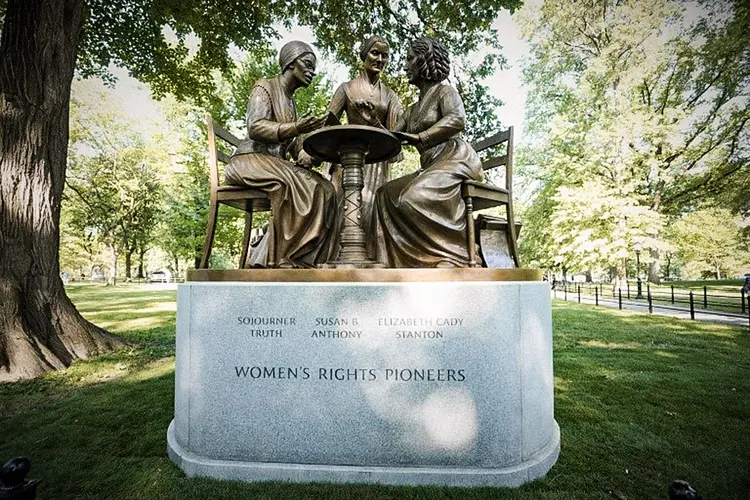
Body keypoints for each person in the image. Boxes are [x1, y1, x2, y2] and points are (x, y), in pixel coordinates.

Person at [370, 36, 483, 268]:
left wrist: (422, 137)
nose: (404, 66)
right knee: (383, 195)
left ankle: (453, 255)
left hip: (455, 158)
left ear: (425, 60)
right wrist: (371, 118)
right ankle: (394, 262)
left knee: (413, 197)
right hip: (431, 166)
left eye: (410, 59)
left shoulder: (445, 92)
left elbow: (457, 119)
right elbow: (392, 137)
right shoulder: (411, 110)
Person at [226, 41, 336, 268]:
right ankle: (282, 257)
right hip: (249, 161)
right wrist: (297, 127)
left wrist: (322, 150)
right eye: (307, 64)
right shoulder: (264, 87)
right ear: (290, 63)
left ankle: (305, 256)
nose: (312, 72)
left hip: (274, 164)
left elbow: (298, 153)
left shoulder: (291, 104)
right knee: (298, 184)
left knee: (326, 188)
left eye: (313, 67)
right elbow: (255, 127)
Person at [327, 35, 403, 240]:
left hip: (376, 160)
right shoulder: (345, 89)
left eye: (385, 55)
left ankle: (370, 255)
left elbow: (397, 136)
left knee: (371, 208)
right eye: (375, 53)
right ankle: (340, 256)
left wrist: (373, 122)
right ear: (364, 55)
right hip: (347, 158)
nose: (380, 59)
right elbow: (329, 123)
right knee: (342, 208)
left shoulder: (390, 96)